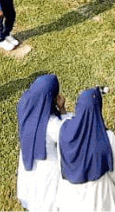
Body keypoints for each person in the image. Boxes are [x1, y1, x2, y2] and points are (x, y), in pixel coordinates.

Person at [56, 88, 115, 211]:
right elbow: (114, 168)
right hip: (98, 194)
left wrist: (62, 109)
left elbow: (60, 158)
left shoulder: (63, 129)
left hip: (70, 194)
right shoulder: (107, 136)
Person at [17, 74, 69, 211]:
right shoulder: (51, 124)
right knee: (47, 199)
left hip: (28, 158)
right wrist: (62, 110)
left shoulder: (24, 105)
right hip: (47, 167)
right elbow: (67, 134)